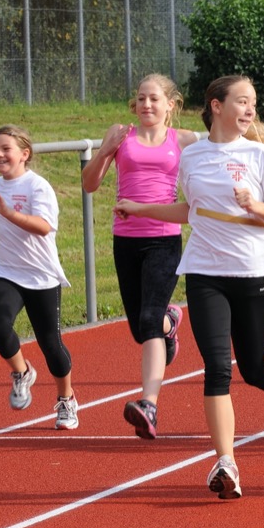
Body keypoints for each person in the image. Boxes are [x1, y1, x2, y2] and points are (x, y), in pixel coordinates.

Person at [116, 75, 264, 499]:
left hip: (251, 271)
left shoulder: (260, 156)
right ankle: (226, 461)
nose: (250, 110)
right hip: (203, 273)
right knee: (218, 368)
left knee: (252, 369)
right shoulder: (192, 156)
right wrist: (141, 207)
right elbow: (190, 209)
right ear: (216, 106)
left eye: (253, 103)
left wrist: (254, 206)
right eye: (242, 101)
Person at [80, 74, 194, 439]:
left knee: (146, 322)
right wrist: (104, 149)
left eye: (154, 99)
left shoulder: (184, 140)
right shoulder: (120, 134)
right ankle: (170, 323)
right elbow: (89, 184)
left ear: (170, 105)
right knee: (140, 329)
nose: (147, 105)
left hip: (163, 240)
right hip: (125, 241)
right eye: (141, 98)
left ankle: (149, 404)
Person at [0, 125, 77, 430]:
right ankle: (21, 372)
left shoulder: (37, 187)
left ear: (24, 154)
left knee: (50, 344)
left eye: (5, 149)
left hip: (40, 275)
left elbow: (43, 226)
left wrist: (9, 213)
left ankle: (66, 398)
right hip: (4, 271)